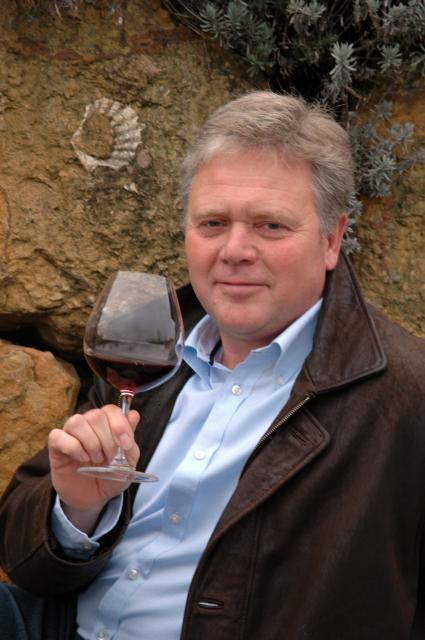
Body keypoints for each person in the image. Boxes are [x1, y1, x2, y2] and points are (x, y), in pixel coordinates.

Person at [1, 90, 425, 640]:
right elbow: (23, 559)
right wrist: (76, 513)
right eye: (213, 223)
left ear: (331, 239)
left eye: (270, 226)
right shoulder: (146, 350)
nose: (235, 250)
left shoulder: (404, 395)